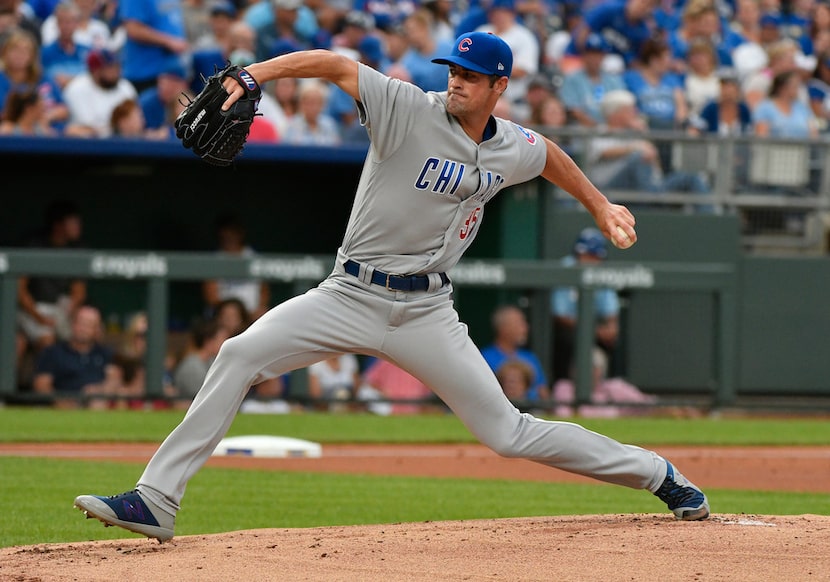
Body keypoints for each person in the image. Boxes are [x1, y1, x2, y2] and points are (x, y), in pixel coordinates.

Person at [74, 32, 709, 544]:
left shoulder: (510, 145)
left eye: (469, 76)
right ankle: (156, 500)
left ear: (499, 86)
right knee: (239, 354)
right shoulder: (406, 106)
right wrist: (253, 75)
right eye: (452, 70)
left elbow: (550, 157)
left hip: (428, 311)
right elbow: (332, 63)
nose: (455, 81)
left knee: (508, 433)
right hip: (349, 295)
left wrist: (599, 205)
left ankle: (659, 475)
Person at [550, 227, 620, 385]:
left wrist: (611, 327)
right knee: (566, 341)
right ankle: (562, 388)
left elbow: (610, 310)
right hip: (569, 330)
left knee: (613, 342)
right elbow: (559, 315)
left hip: (593, 329)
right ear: (577, 254)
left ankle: (607, 392)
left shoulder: (602, 272)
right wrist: (593, 330)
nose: (589, 260)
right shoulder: (566, 268)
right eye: (586, 255)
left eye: (594, 256)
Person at [17, 199, 86, 355]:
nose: (78, 226)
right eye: (73, 222)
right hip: (32, 309)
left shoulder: (77, 247)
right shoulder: (34, 244)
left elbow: (79, 291)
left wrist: (70, 312)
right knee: (46, 340)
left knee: (87, 333)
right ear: (58, 225)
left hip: (60, 308)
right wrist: (39, 317)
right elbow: (19, 291)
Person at [31, 305, 121, 408]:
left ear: (97, 330)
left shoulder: (105, 354)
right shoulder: (53, 352)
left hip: (96, 407)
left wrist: (99, 390)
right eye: (81, 323)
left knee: (98, 402)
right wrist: (61, 403)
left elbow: (114, 379)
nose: (83, 329)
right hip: (61, 409)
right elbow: (41, 385)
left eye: (89, 325)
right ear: (73, 324)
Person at [202, 212, 271, 321]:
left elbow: (264, 293)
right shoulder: (215, 260)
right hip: (225, 313)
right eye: (225, 233)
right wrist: (234, 312)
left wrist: (250, 313)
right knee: (230, 314)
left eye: (233, 232)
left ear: (240, 233)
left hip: (251, 313)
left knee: (264, 314)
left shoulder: (254, 257)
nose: (229, 236)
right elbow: (211, 297)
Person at [62, 47, 138, 137]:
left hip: (120, 143)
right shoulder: (76, 89)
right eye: (111, 68)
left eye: (117, 66)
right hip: (83, 145)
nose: (116, 72)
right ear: (96, 71)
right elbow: (77, 127)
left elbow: (135, 123)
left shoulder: (126, 88)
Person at [480, 304, 550, 402]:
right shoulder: (484, 358)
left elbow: (543, 393)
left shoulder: (530, 357)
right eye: (519, 323)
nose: (525, 328)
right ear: (503, 328)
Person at [172, 317, 228, 399]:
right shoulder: (192, 365)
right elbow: (200, 398)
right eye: (223, 339)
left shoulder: (211, 361)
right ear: (209, 341)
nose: (226, 343)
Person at [357, 357, 433, 415]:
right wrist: (381, 390)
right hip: (388, 407)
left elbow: (427, 394)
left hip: (413, 409)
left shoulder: (420, 365)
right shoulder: (387, 361)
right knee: (365, 392)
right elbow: (368, 380)